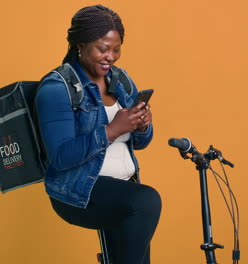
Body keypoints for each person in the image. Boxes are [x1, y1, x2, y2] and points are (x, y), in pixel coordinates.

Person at [35, 5, 161, 264]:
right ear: (80, 45)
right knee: (147, 201)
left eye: (116, 49)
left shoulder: (120, 80)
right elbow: (60, 157)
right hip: (78, 192)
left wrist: (142, 127)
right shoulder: (56, 87)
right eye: (102, 49)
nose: (110, 57)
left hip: (122, 190)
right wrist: (113, 129)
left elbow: (141, 143)